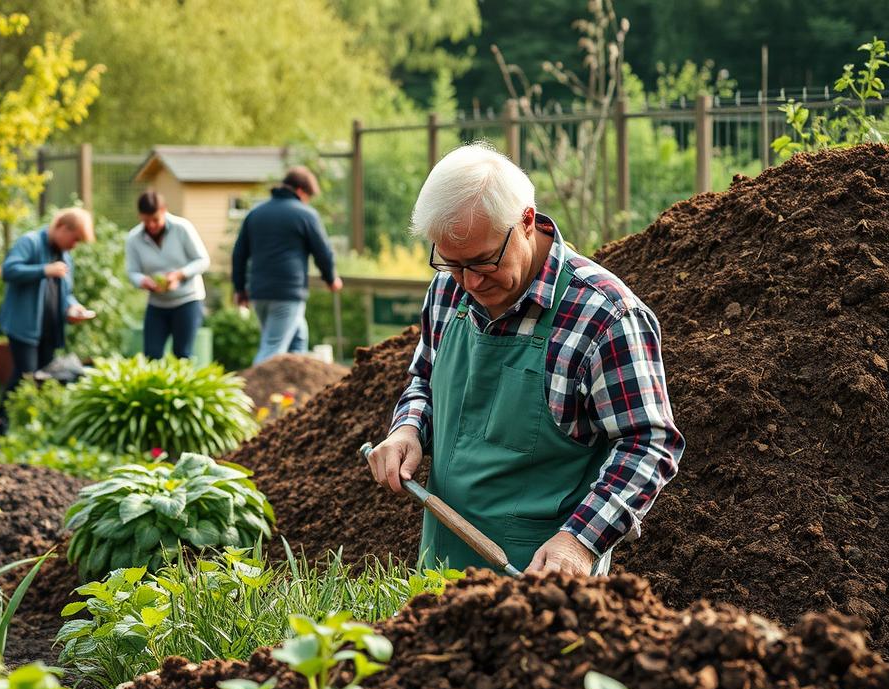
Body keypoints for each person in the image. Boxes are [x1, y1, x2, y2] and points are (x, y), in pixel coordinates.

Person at [365, 143, 684, 577]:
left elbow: (648, 444)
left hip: (540, 582)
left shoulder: (605, 317)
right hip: (440, 568)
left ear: (527, 222)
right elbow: (424, 378)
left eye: (483, 261)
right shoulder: (449, 290)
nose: (471, 281)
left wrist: (580, 541)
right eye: (453, 264)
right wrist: (408, 430)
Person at [0, 207, 96, 446]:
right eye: (75, 238)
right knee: (25, 378)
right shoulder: (30, 242)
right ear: (62, 228)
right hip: (24, 326)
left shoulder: (65, 256)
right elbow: (9, 270)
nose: (75, 245)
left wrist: (74, 308)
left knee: (43, 380)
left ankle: (29, 433)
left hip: (49, 329)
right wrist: (43, 270)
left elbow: (65, 293)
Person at [230, 166, 342, 364]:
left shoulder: (255, 214)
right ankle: (256, 393)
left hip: (259, 293)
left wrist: (239, 288)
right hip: (287, 293)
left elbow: (239, 254)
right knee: (272, 350)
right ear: (300, 191)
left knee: (298, 339)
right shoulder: (305, 214)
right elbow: (323, 251)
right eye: (308, 196)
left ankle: (293, 392)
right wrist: (331, 278)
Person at [124, 190, 211, 359]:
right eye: (146, 221)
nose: (151, 225)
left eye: (155, 220)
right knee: (151, 355)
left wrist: (179, 275)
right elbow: (132, 272)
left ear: (164, 211)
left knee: (182, 353)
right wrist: (143, 281)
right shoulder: (133, 238)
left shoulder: (182, 228)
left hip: (188, 300)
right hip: (157, 304)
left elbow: (202, 260)